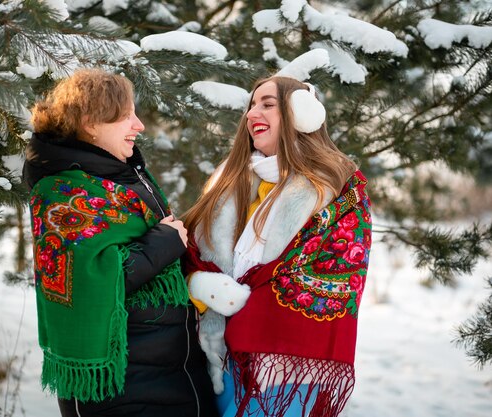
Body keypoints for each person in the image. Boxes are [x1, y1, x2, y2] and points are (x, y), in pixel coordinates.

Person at [23, 68, 218, 417]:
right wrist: (165, 241)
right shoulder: (62, 190)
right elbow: (86, 278)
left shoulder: (120, 174)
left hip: (171, 370)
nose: (139, 125)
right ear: (90, 121)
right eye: (126, 116)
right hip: (122, 384)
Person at [183, 76, 372, 417]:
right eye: (252, 105)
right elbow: (194, 258)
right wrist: (203, 287)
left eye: (268, 104)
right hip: (220, 359)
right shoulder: (230, 180)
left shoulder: (336, 188)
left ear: (301, 115)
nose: (253, 112)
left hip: (288, 369)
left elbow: (336, 279)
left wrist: (241, 308)